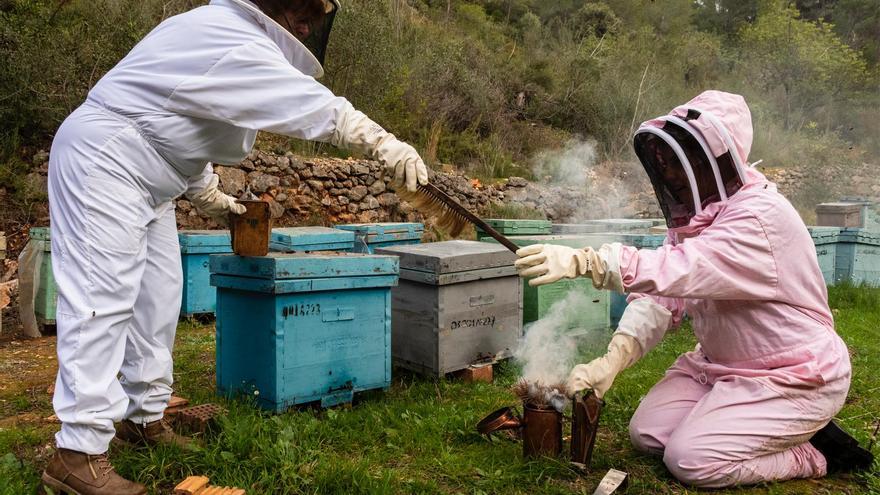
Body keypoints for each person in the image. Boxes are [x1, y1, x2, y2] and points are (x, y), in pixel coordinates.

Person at [42, 1, 428, 493]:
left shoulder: (234, 44)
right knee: (102, 300)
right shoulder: (231, 38)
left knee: (159, 300)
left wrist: (217, 202)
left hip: (151, 174)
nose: (308, 24)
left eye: (315, 14)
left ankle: (144, 418)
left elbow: (185, 133)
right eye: (302, 9)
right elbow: (310, 105)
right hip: (107, 161)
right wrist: (381, 141)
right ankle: (78, 452)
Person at [515, 90, 874, 488]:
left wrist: (591, 261)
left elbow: (682, 268)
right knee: (648, 434)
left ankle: (813, 452)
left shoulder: (760, 219)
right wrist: (613, 359)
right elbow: (663, 297)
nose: (670, 175)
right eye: (666, 164)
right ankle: (742, 424)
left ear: (718, 162)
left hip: (792, 374)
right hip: (720, 367)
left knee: (692, 460)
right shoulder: (700, 216)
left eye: (681, 163)